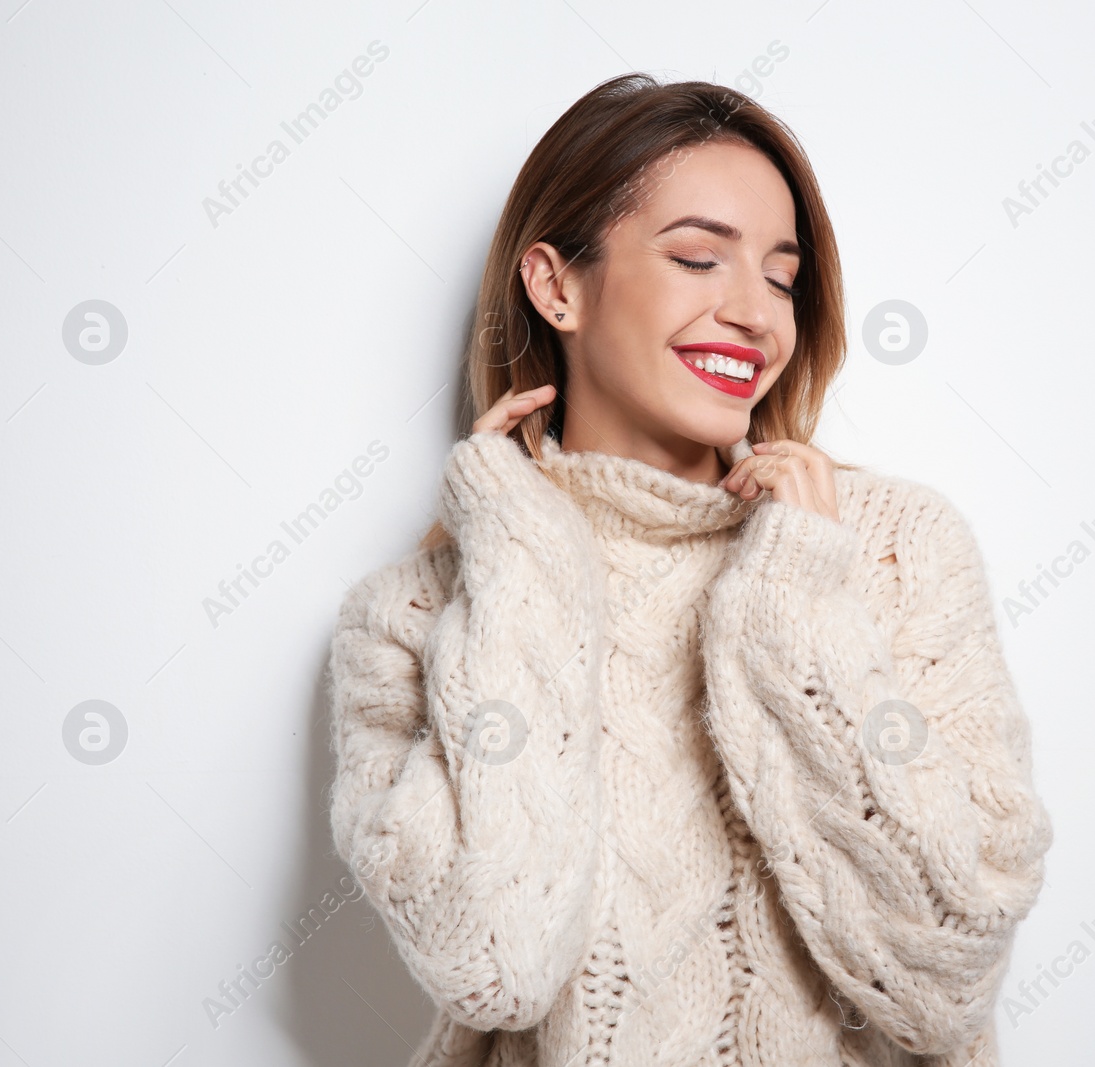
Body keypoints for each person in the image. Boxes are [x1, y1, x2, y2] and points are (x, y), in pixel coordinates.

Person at [326, 72, 1053, 1067]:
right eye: (699, 257)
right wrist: (519, 559)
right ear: (556, 285)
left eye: (781, 276)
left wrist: (794, 603)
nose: (754, 314)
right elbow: (495, 963)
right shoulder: (414, 614)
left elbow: (944, 978)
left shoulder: (880, 546)